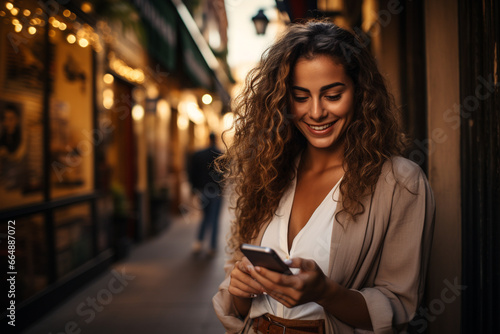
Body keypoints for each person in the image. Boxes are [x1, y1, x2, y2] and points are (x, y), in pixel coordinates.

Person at [212, 20, 435, 333]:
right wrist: (240, 289)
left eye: (332, 95)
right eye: (300, 97)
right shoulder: (268, 172)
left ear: (360, 93)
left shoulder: (400, 183)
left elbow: (399, 306)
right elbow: (240, 302)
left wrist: (325, 292)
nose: (315, 112)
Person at [188, 132, 223, 255]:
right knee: (214, 219)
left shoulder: (199, 154)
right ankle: (212, 246)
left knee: (204, 217)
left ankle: (199, 242)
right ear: (216, 139)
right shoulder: (221, 154)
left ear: (208, 139)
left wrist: (194, 189)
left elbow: (192, 173)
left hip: (203, 190)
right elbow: (224, 176)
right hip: (217, 191)